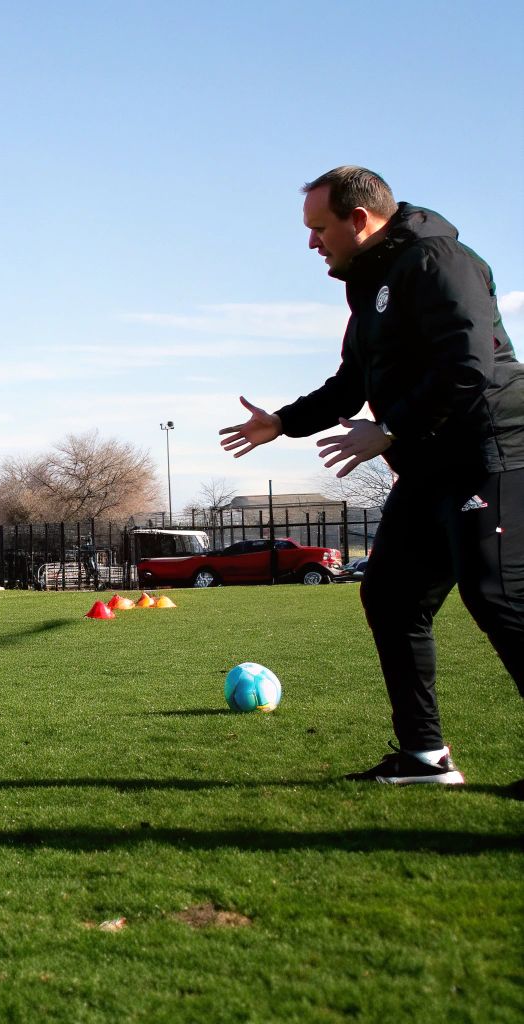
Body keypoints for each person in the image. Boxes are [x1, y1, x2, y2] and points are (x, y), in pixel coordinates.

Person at [219, 166, 522, 785]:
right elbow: (352, 384)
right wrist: (282, 422)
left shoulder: (439, 261)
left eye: (319, 228)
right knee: (390, 596)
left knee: (495, 596)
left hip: (489, 453)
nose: (312, 243)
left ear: (359, 219)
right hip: (429, 466)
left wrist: (390, 430)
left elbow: (468, 368)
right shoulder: (370, 287)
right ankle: (423, 757)